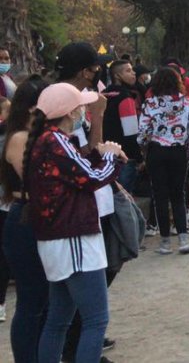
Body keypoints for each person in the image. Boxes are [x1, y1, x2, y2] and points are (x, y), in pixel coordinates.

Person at [25, 83, 126, 362]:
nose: (85, 109)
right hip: (73, 239)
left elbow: (77, 170)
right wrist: (110, 156)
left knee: (59, 320)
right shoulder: (56, 140)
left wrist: (101, 155)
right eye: (81, 106)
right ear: (71, 113)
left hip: (57, 240)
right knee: (95, 320)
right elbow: (91, 179)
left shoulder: (46, 140)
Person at [0, 77, 49, 361]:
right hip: (25, 221)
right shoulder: (18, 138)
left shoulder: (37, 135)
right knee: (32, 299)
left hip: (37, 218)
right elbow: (35, 182)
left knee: (44, 299)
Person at [137, 67, 189, 255]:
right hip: (178, 151)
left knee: (160, 196)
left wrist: (144, 145)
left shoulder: (149, 103)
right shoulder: (185, 102)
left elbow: (142, 131)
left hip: (156, 152)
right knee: (178, 194)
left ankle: (164, 241)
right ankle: (183, 238)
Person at [101, 60, 141, 193]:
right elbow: (131, 132)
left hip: (104, 153)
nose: (133, 74)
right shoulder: (126, 98)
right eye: (128, 71)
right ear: (117, 76)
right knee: (123, 198)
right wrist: (139, 158)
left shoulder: (103, 95)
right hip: (124, 157)